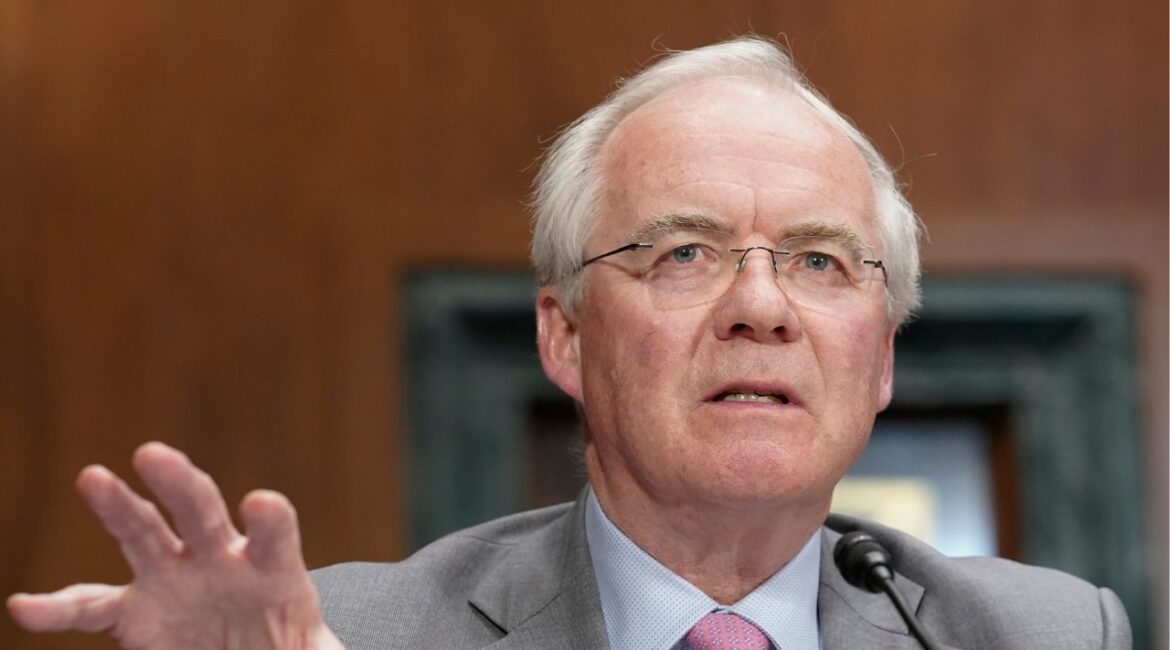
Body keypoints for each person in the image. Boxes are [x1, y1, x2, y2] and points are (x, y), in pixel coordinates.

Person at [8, 36, 1131, 650]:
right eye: (683, 253)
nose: (761, 306)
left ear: (880, 358)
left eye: (821, 260)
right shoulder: (347, 637)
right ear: (565, 333)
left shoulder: (1039, 633)